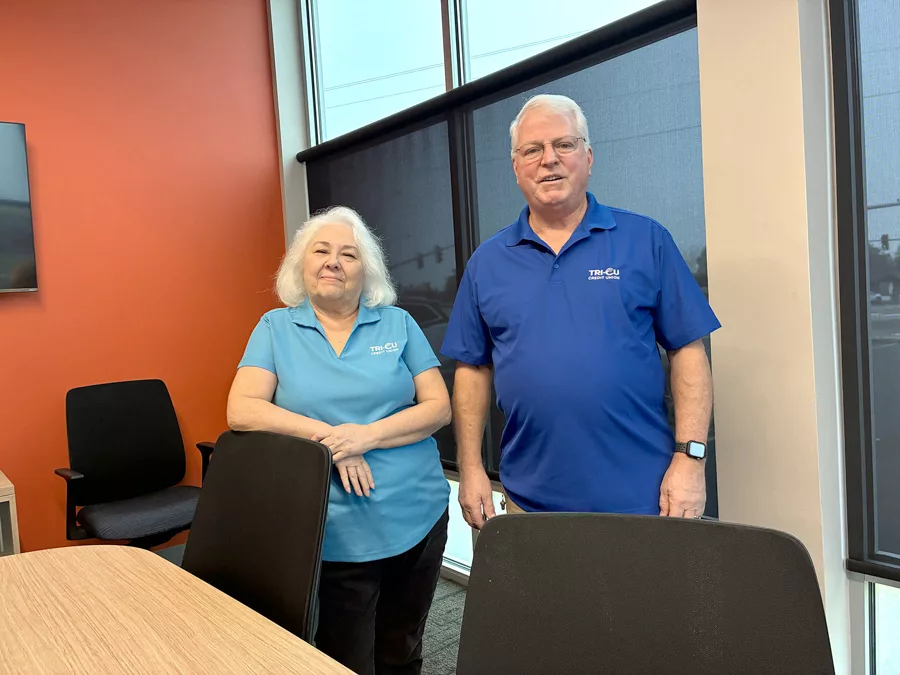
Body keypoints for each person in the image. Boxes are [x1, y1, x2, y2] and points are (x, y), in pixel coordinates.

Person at [441, 94, 720, 528]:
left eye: (564, 145)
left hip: (644, 499)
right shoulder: (487, 263)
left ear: (588, 156)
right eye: (532, 150)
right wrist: (471, 467)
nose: (548, 160)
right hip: (528, 503)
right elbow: (472, 370)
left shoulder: (646, 241)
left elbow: (688, 351)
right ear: (516, 167)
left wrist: (691, 459)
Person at [227, 206, 451, 675]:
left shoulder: (397, 323)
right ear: (300, 264)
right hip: (331, 527)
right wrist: (331, 440)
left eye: (349, 254)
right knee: (341, 655)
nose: (333, 261)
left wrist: (366, 436)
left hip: (418, 513)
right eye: (321, 251)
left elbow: (438, 408)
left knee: (403, 646)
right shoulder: (275, 328)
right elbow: (242, 409)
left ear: (366, 270)